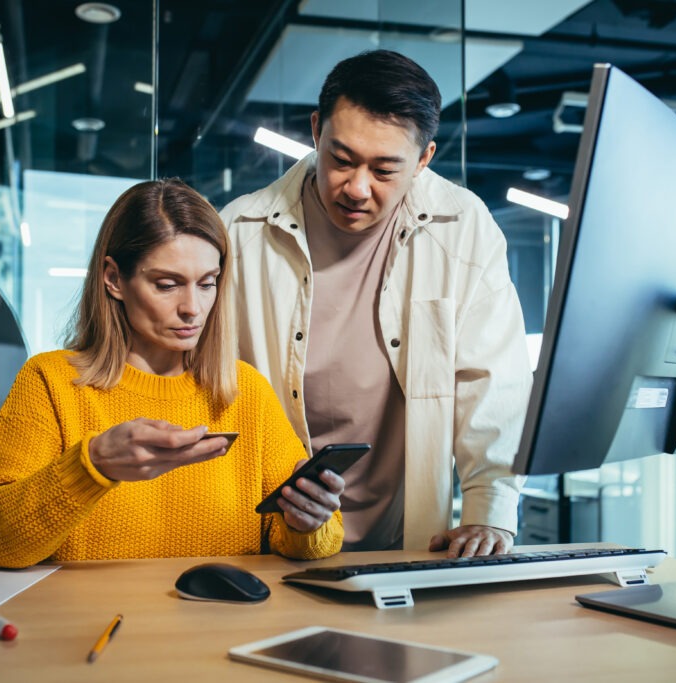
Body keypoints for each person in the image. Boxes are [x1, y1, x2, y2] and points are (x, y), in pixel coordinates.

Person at [220, 50, 531, 557]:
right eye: (341, 160)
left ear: (424, 159)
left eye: (385, 170)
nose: (357, 188)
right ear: (316, 130)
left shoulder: (464, 226)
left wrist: (489, 513)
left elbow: (493, 381)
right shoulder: (240, 231)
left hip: (403, 540)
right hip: (269, 540)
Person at [0, 179, 344, 569]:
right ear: (113, 279)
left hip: (224, 624)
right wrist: (90, 466)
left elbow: (313, 539)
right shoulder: (51, 381)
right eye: (167, 285)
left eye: (207, 284)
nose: (192, 308)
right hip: (92, 624)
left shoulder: (244, 390)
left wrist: (306, 522)